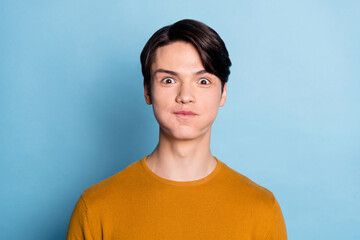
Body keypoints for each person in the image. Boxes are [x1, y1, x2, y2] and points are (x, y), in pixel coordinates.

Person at [66, 19, 287, 239]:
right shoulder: (95, 207)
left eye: (203, 81)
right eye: (169, 80)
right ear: (147, 91)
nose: (185, 97)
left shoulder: (262, 209)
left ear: (223, 93)